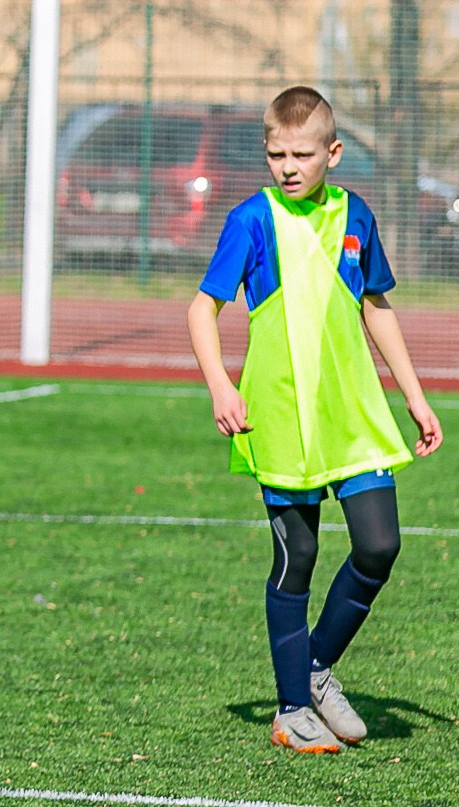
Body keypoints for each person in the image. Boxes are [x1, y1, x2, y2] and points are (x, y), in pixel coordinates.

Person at [184, 85, 443, 755]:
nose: (288, 166)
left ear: (332, 152)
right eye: (276, 154)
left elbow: (375, 307)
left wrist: (413, 396)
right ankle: (292, 706)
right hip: (279, 418)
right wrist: (219, 385)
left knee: (378, 546)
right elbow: (200, 309)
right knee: (296, 558)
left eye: (301, 153)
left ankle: (316, 667)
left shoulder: (355, 216)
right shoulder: (251, 220)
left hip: (352, 415)